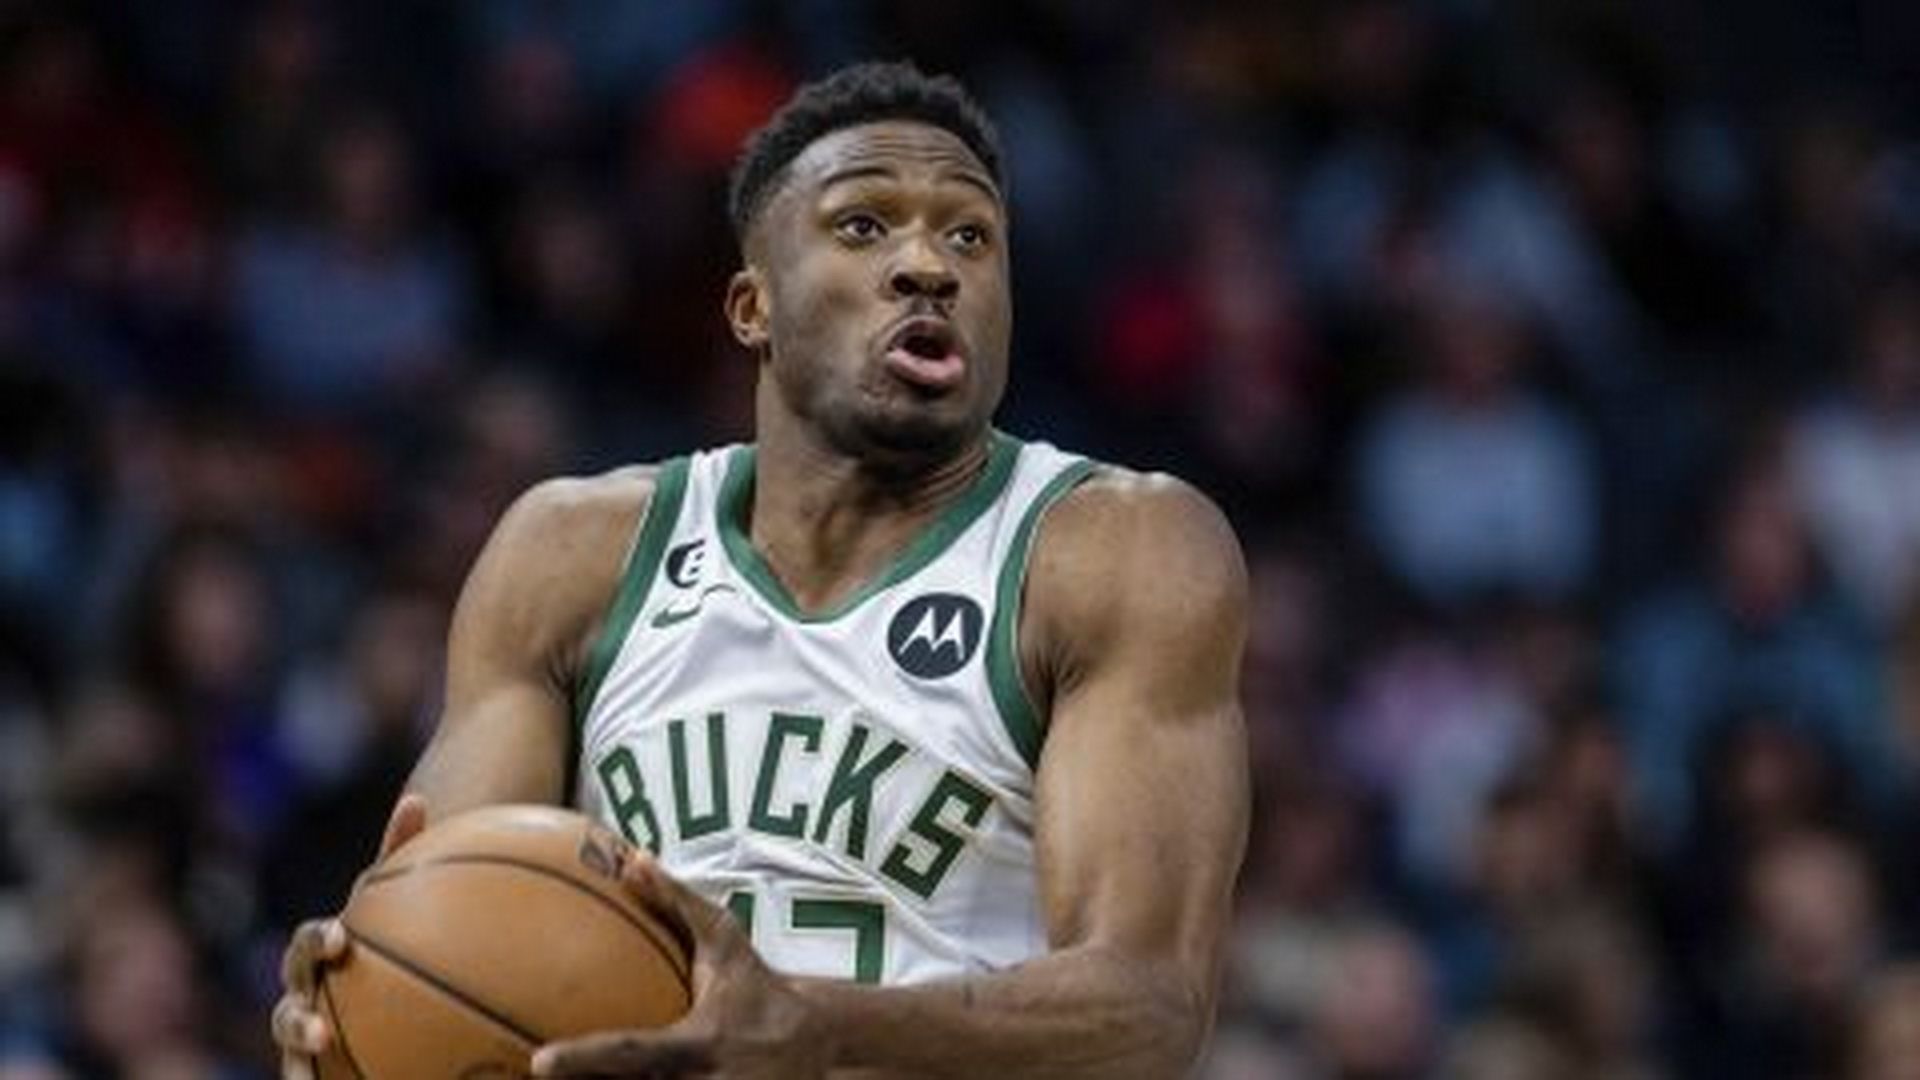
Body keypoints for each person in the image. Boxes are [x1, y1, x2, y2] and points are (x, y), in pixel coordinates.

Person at [269, 60, 1250, 1079]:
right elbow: (446, 938)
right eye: (864, 226)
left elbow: (1150, 1008)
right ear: (753, 307)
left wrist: (821, 1027)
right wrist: (356, 1009)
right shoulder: (574, 553)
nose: (929, 265)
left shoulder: (1110, 548)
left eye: (971, 237)